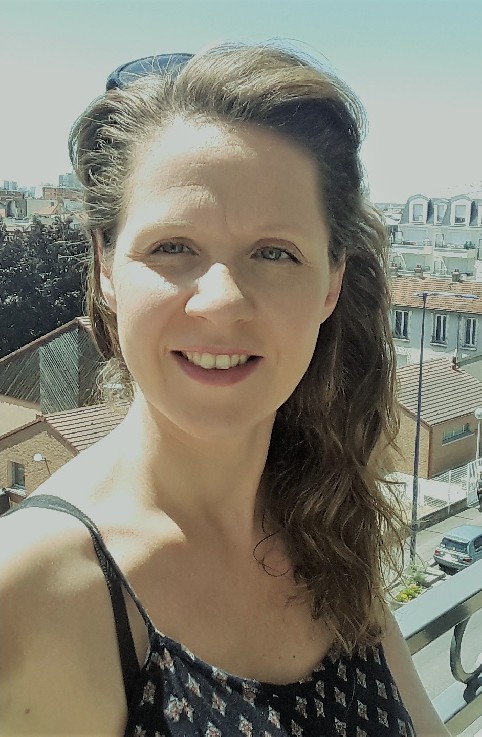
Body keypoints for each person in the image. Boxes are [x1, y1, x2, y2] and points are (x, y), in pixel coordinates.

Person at [0, 43, 449, 736]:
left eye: (275, 253)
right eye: (173, 247)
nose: (221, 302)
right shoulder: (33, 592)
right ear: (106, 266)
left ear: (331, 283)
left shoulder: (325, 527)